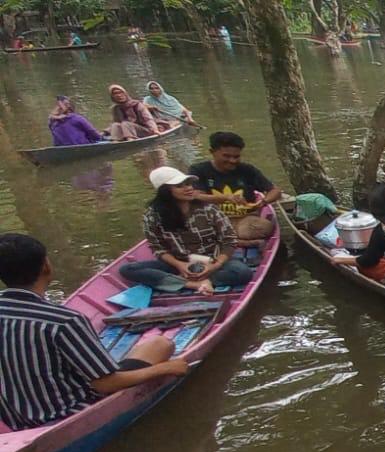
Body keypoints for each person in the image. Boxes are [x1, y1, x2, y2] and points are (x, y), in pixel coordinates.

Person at [0, 233, 188, 431]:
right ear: (46, 266)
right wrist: (165, 369)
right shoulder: (64, 321)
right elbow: (105, 384)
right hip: (69, 412)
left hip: (15, 418)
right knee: (160, 344)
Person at [121, 167, 256, 294]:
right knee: (128, 269)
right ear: (165, 191)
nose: (189, 188)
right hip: (178, 264)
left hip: (212, 261)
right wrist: (180, 265)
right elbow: (158, 248)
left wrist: (214, 266)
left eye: (189, 184)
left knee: (242, 272)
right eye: (180, 186)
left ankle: (199, 281)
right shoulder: (152, 215)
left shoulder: (208, 209)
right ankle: (192, 284)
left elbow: (229, 240)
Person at [188, 132, 280, 233]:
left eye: (236, 157)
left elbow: (275, 191)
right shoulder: (198, 170)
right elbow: (197, 196)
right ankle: (239, 240)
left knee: (265, 227)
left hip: (245, 219)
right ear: (212, 152)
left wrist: (263, 202)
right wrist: (227, 197)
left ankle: (231, 237)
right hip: (214, 220)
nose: (232, 161)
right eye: (226, 156)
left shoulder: (247, 170)